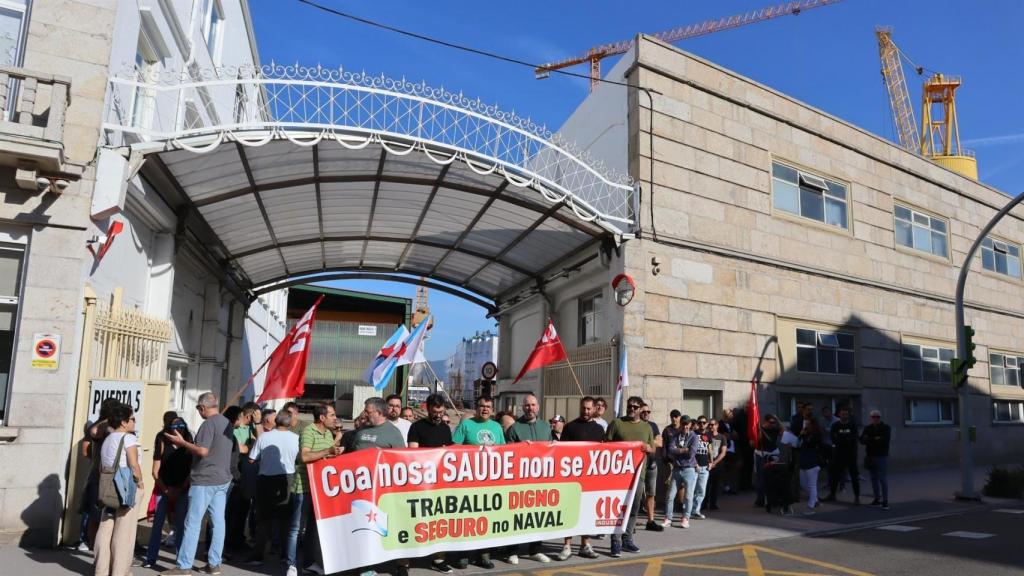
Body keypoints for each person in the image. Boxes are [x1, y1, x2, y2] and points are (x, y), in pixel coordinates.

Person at [163, 392, 235, 576]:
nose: (198, 411)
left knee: (192, 522)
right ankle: (214, 563)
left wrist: (183, 442)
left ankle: (184, 566)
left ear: (203, 407)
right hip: (222, 479)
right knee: (218, 522)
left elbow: (202, 451)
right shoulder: (227, 423)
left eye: (198, 408)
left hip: (205, 479)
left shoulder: (208, 424)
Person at [347, 398, 407, 576]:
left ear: (380, 413)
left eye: (368, 411)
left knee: (387, 528)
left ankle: (400, 564)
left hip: (383, 492)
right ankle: (366, 566)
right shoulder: (361, 432)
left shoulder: (393, 433)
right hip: (360, 491)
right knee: (364, 530)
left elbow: (401, 462)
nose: (365, 414)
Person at [246, 410, 300, 574]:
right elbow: (299, 458)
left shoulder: (264, 437)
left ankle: (258, 556)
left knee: (264, 520)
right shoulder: (296, 438)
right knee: (285, 521)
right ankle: (285, 555)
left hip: (266, 479)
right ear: (290, 423)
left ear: (276, 421)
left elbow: (251, 458)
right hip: (287, 478)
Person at [452, 396, 504, 569]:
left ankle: (484, 554)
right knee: (467, 519)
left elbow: (504, 451)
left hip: (489, 482)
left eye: (488, 406)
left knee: (486, 519)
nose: (485, 409)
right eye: (482, 406)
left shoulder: (496, 427)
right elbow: (454, 448)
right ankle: (463, 554)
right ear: (476, 408)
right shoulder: (466, 425)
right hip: (468, 481)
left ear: (492, 409)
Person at [93, 402, 143, 576]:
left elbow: (102, 466)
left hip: (107, 487)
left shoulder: (107, 439)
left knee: (105, 529)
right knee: (124, 532)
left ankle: (101, 570)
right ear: (123, 422)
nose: (134, 422)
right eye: (132, 419)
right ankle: (119, 572)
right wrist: (140, 483)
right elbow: (134, 464)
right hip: (125, 486)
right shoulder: (128, 438)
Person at [408, 394, 456, 574]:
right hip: (421, 484)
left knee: (439, 523)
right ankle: (403, 563)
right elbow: (413, 453)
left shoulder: (445, 428)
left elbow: (450, 453)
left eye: (441, 412)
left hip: (440, 484)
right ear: (427, 409)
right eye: (435, 412)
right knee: (415, 522)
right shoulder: (416, 427)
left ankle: (438, 558)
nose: (438, 415)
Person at [504, 394, 554, 564]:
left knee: (537, 516)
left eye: (533, 405)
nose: (530, 408)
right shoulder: (515, 428)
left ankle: (535, 549)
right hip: (520, 481)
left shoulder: (546, 426)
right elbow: (507, 454)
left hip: (540, 480)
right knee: (517, 517)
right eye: (527, 405)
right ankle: (512, 550)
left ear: (538, 407)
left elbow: (552, 449)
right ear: (522, 407)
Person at [295, 403, 343, 575]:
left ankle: (310, 562)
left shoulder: (329, 433)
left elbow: (326, 456)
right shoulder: (308, 431)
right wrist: (328, 450)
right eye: (332, 415)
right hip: (304, 487)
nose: (335, 419)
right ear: (322, 418)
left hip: (320, 488)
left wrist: (334, 453)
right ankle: (292, 564)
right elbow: (305, 456)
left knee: (315, 528)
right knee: (297, 529)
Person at [605, 396, 655, 556]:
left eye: (635, 407)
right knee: (618, 509)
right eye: (629, 406)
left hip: (638, 475)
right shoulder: (617, 423)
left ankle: (628, 539)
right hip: (618, 475)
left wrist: (648, 447)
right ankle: (615, 542)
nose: (631, 409)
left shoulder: (647, 427)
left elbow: (652, 448)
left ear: (641, 409)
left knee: (633, 509)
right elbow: (605, 445)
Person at [555, 397, 603, 561]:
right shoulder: (569, 427)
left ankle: (585, 545)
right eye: (583, 408)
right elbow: (562, 452)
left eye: (589, 409)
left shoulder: (599, 429)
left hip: (591, 479)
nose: (586, 411)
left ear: (594, 409)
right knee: (570, 512)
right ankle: (567, 546)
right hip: (572, 479)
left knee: (587, 512)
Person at [142, 415, 192, 569]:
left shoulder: (189, 444)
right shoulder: (162, 440)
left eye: (181, 427)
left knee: (181, 526)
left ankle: (181, 563)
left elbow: (192, 470)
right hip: (164, 488)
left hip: (182, 490)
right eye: (175, 428)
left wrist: (181, 488)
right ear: (169, 428)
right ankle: (151, 559)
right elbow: (155, 471)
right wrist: (166, 490)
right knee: (157, 525)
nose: (178, 431)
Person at [223, 405, 255, 555]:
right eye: (241, 416)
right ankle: (225, 544)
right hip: (230, 477)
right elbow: (239, 451)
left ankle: (236, 539)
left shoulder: (241, 431)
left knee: (240, 510)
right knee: (226, 513)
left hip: (238, 477)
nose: (242, 420)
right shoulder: (229, 432)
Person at [663, 415, 698, 528]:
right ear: (681, 424)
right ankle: (668, 518)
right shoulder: (676, 435)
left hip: (689, 469)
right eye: (683, 424)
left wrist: (678, 451)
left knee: (688, 496)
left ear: (690, 425)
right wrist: (683, 450)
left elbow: (691, 453)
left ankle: (685, 518)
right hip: (677, 469)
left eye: (687, 424)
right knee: (670, 495)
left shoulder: (694, 437)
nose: (685, 426)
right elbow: (670, 449)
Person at [823, 406, 860, 505]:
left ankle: (857, 497)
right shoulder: (835, 425)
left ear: (848, 415)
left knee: (854, 476)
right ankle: (832, 494)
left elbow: (853, 438)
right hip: (838, 454)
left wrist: (842, 440)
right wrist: (844, 440)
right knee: (834, 475)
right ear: (839, 415)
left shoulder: (852, 425)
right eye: (843, 414)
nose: (844, 416)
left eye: (846, 414)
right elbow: (833, 438)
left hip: (851, 455)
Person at [638, 404, 665, 532]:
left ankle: (651, 521)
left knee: (651, 493)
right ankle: (629, 523)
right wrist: (650, 441)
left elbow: (660, 442)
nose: (646, 413)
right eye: (644, 411)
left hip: (651, 464)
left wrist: (645, 442)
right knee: (635, 494)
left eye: (648, 411)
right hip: (638, 465)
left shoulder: (653, 425)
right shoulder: (636, 425)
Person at [860, 410, 891, 510]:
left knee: (882, 478)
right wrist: (875, 439)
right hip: (870, 456)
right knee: (873, 479)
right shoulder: (868, 428)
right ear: (871, 418)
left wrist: (870, 439)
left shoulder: (885, 428)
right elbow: (862, 440)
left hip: (881, 456)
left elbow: (884, 441)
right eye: (873, 417)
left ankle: (885, 501)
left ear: (880, 417)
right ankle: (877, 499)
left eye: (877, 417)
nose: (875, 418)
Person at [753, 414, 781, 508]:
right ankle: (760, 500)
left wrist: (778, 420)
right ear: (765, 421)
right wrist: (758, 438)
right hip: (761, 454)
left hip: (773, 454)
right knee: (761, 478)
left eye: (774, 422)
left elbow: (784, 432)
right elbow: (752, 442)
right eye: (771, 422)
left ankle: (772, 499)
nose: (772, 424)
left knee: (773, 477)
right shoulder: (759, 429)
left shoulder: (775, 429)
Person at [798, 418, 824, 514]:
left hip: (812, 463)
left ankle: (811, 505)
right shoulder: (805, 434)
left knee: (812, 485)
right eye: (805, 424)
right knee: (803, 484)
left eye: (808, 424)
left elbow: (811, 443)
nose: (806, 426)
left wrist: (804, 436)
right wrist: (801, 435)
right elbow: (798, 443)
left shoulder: (816, 435)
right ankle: (815, 500)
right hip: (803, 462)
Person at [703, 418, 729, 513]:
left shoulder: (722, 437)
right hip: (706, 464)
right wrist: (708, 462)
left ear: (717, 426)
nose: (711, 426)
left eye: (713, 425)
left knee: (715, 486)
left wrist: (714, 463)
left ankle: (713, 504)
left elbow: (723, 452)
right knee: (705, 485)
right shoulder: (705, 436)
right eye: (710, 425)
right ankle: (704, 504)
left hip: (718, 465)